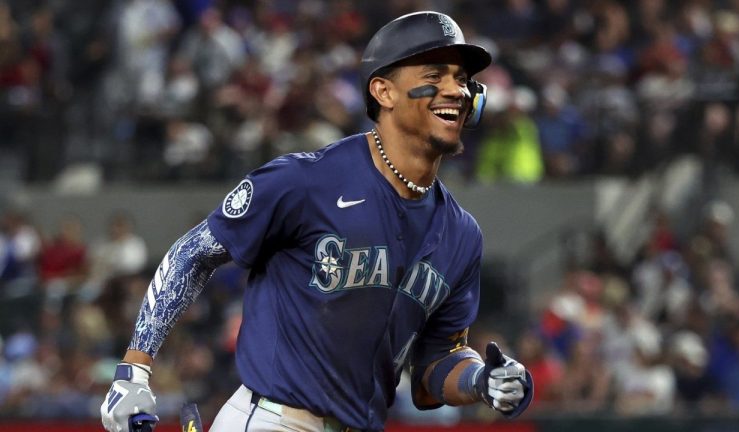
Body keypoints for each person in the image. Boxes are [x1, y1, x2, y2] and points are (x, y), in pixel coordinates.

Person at [100, 11, 533, 432]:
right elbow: (194, 254)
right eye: (434, 75)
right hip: (276, 418)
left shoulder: (461, 234)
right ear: (383, 91)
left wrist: (481, 381)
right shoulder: (306, 180)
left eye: (461, 79)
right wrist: (134, 370)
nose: (455, 90)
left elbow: (434, 368)